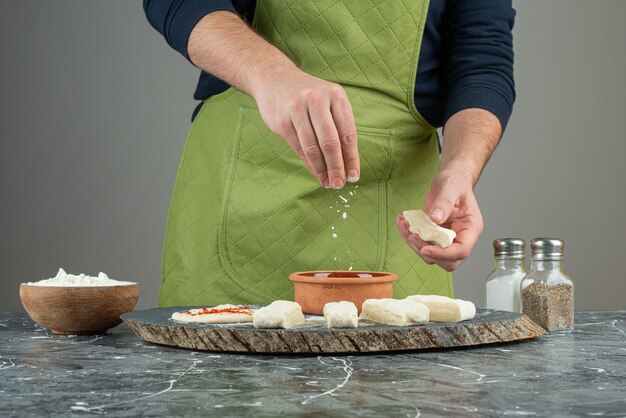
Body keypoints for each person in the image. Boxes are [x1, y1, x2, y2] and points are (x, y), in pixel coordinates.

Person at [143, 0, 515, 306]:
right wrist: (270, 74)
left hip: (395, 218)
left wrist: (460, 168)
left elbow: (482, 62)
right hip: (241, 191)